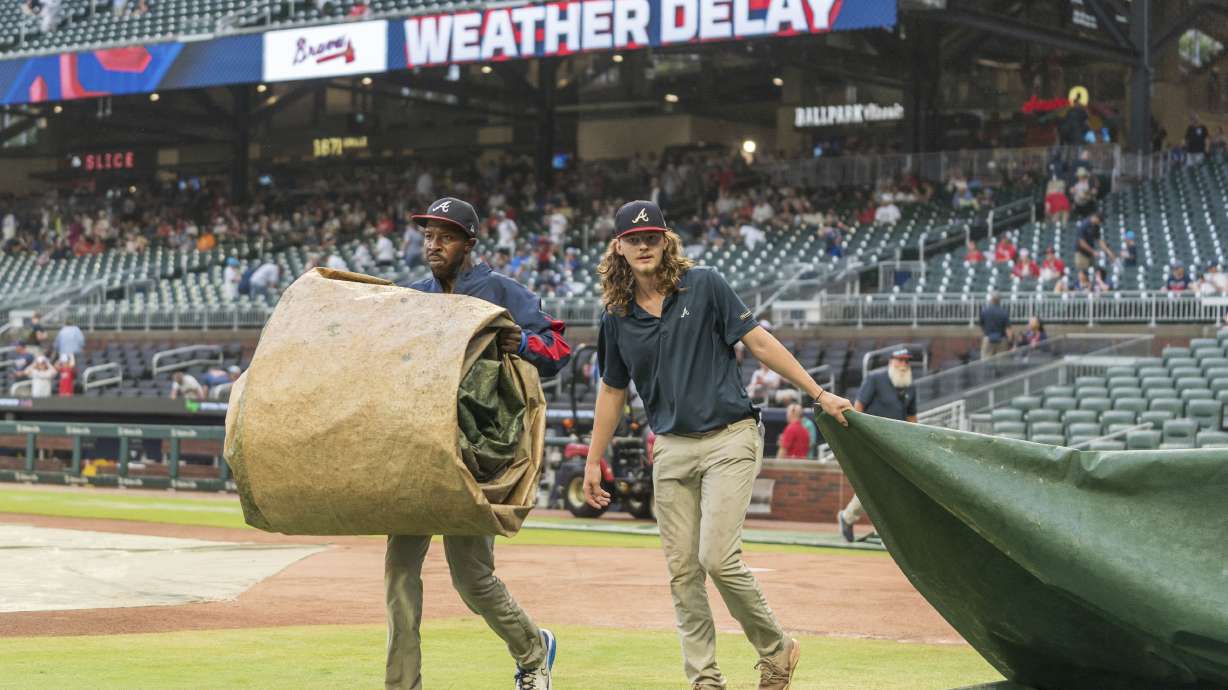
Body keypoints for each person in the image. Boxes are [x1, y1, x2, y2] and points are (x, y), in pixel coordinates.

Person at [582, 200, 853, 690]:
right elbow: (612, 391)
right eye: (633, 239)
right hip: (669, 447)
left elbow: (760, 342)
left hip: (730, 437)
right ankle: (705, 678)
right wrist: (593, 458)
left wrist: (818, 393)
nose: (643, 246)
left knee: (717, 559)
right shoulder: (615, 316)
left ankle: (777, 649)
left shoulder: (705, 284)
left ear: (665, 242)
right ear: (618, 247)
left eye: (652, 237)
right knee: (683, 573)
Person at [390, 196, 570, 690]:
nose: (433, 244)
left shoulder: (502, 291)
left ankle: (533, 650)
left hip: (476, 453)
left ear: (469, 243)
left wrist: (525, 344)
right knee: (399, 576)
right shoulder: (411, 297)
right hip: (417, 450)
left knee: (472, 579)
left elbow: (559, 350)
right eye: (428, 235)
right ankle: (402, 684)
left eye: (444, 236)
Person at [837, 349, 917, 542]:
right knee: (876, 484)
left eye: (907, 361)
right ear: (891, 361)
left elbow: (912, 416)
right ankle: (858, 521)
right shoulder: (876, 378)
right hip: (872, 441)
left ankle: (852, 519)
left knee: (885, 486)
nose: (904, 365)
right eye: (900, 360)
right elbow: (859, 406)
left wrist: (914, 442)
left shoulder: (910, 385)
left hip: (896, 444)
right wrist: (854, 434)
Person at [979, 293, 1012, 361]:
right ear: (1000, 300)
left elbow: (982, 326)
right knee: (1002, 363)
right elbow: (1008, 329)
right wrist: (1010, 342)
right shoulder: (1004, 312)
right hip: (1002, 339)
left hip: (988, 339)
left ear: (991, 299)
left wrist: (985, 335)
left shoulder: (984, 311)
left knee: (986, 362)